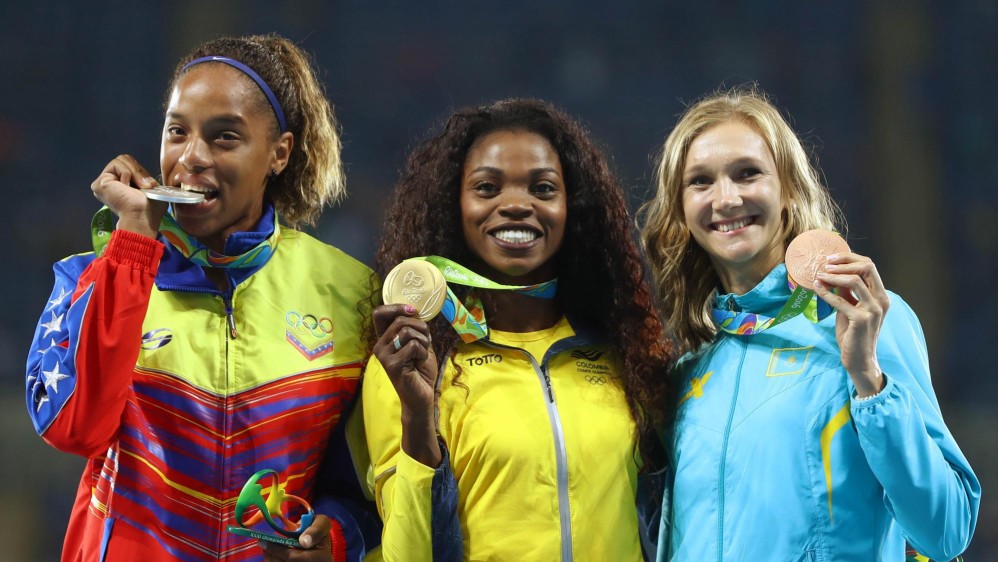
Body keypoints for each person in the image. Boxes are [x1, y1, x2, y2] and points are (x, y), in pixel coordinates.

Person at [26, 34, 377, 562]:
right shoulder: (93, 278)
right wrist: (136, 241)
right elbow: (74, 429)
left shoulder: (351, 293)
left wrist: (338, 534)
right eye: (177, 132)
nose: (191, 158)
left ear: (278, 153)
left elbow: (370, 480)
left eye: (224, 137)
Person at [639, 85, 981, 561]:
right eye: (700, 181)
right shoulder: (692, 373)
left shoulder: (863, 320)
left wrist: (868, 380)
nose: (727, 198)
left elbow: (946, 530)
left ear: (789, 191)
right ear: (681, 210)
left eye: (747, 173)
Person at [362, 98, 675, 561]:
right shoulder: (413, 363)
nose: (515, 205)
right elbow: (407, 554)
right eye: (487, 188)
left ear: (574, 207)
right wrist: (416, 415)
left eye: (543, 188)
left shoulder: (619, 354)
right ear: (455, 204)